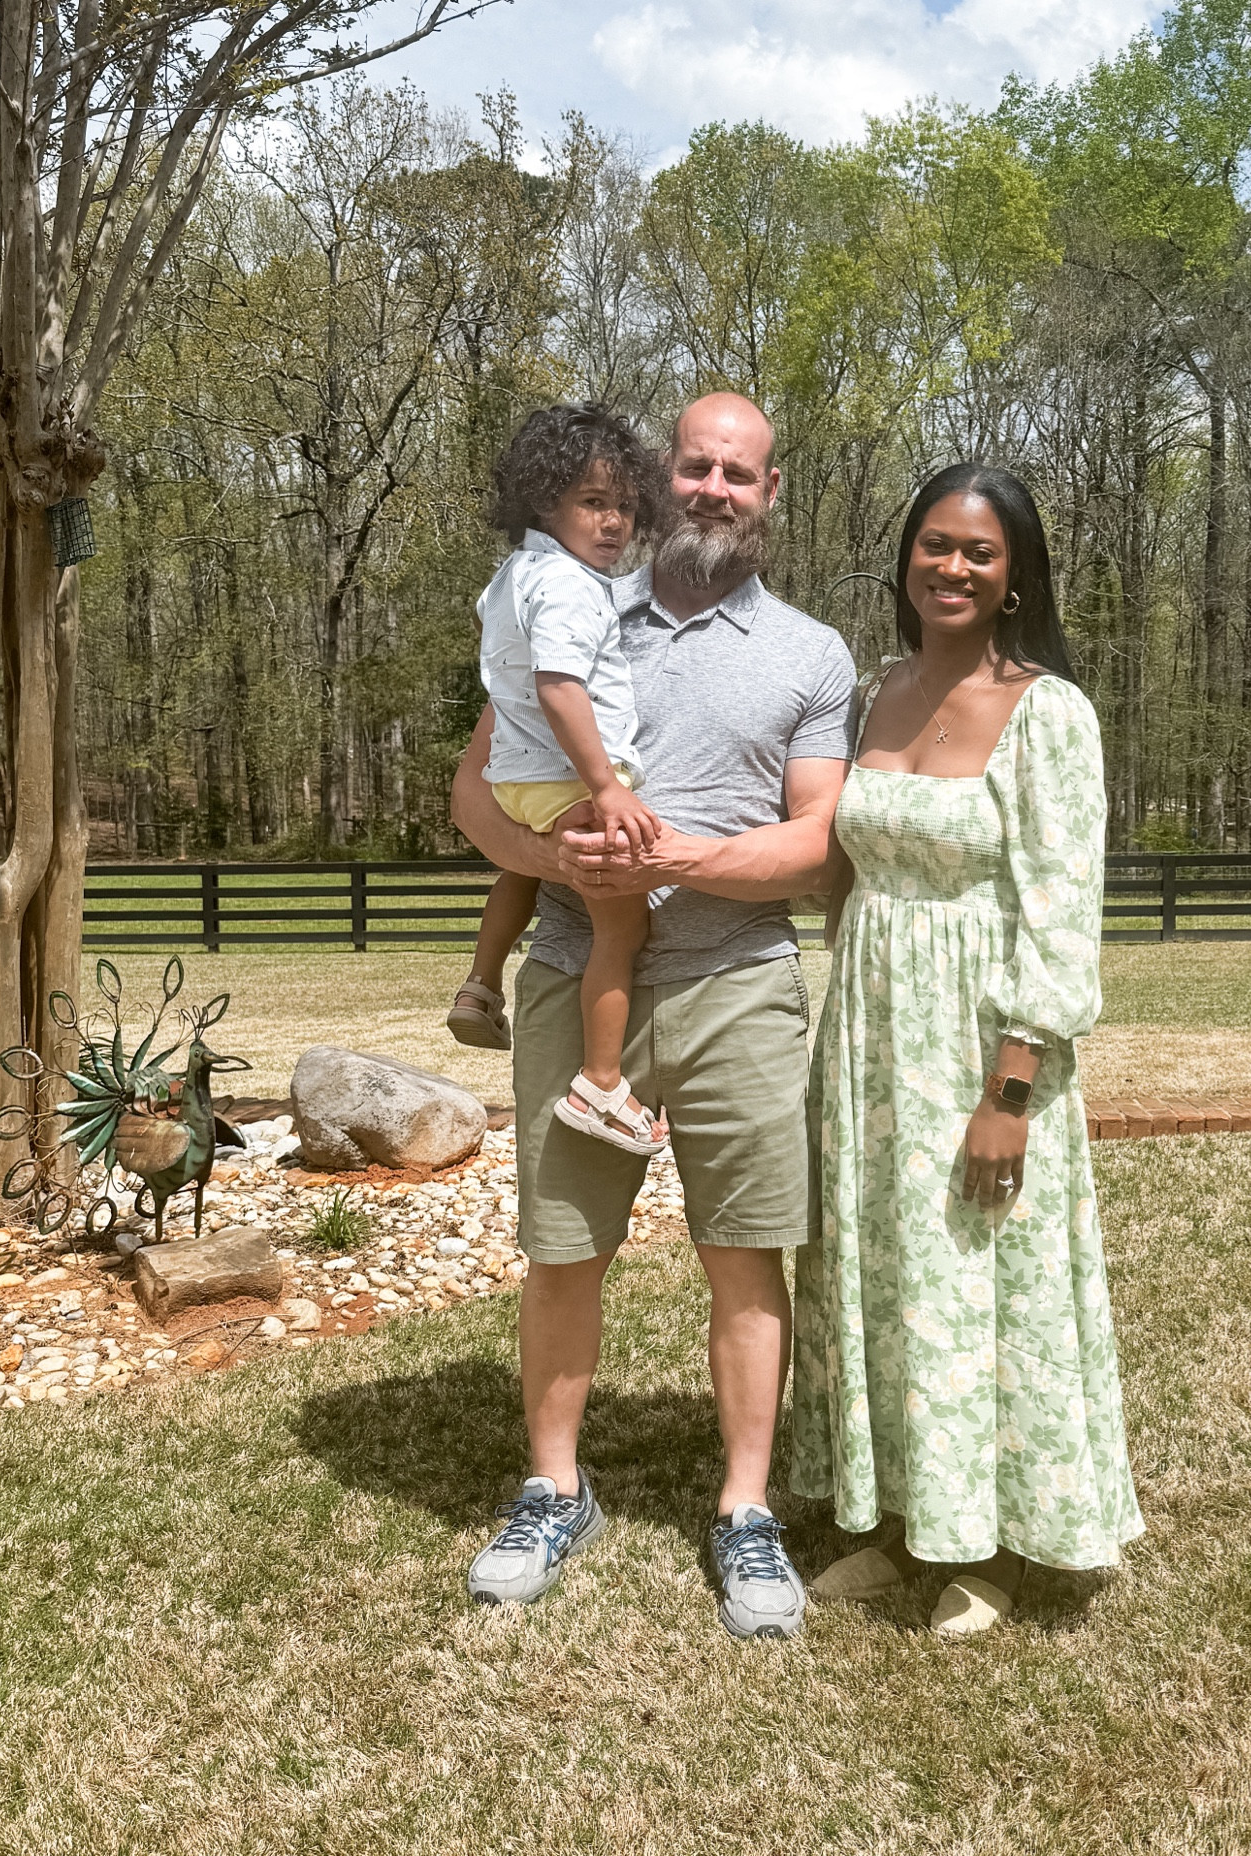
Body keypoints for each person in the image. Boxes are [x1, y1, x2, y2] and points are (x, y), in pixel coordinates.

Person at [450, 392, 856, 1640]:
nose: (713, 488)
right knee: (563, 1247)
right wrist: (558, 861)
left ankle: (746, 1506)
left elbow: (820, 844)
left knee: (747, 1250)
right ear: (654, 475)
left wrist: (677, 857)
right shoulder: (568, 597)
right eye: (694, 465)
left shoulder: (810, 654)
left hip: (740, 982)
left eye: (739, 471)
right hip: (579, 972)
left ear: (768, 492)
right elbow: (472, 794)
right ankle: (553, 1487)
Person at [792, 462, 1144, 1634]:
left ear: (1014, 578)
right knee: (888, 1274)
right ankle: (899, 1519)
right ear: (905, 557)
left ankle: (989, 1542)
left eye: (978, 551)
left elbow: (1060, 909)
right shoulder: (869, 695)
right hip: (870, 1038)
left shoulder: (1049, 712)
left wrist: (1011, 1087)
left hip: (980, 1037)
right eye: (934, 543)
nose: (951, 565)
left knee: (983, 1276)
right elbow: (831, 864)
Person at [446, 403, 670, 1155]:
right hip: (565, 776)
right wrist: (606, 786)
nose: (613, 523)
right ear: (544, 501)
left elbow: (499, 645)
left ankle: (480, 982)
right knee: (623, 925)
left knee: (526, 867)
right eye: (593, 502)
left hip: (518, 776)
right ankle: (601, 1083)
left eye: (625, 506)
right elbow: (560, 685)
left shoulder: (515, 576)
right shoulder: (572, 586)